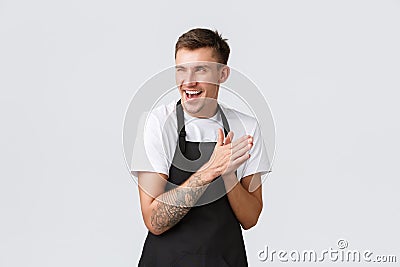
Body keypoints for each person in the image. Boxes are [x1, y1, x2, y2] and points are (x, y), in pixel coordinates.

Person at [131, 28, 271, 267]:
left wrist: (228, 176)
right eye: (181, 70)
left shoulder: (246, 127)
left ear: (222, 74)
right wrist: (209, 171)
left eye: (201, 70)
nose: (188, 82)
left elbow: (250, 218)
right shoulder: (156, 124)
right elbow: (154, 220)